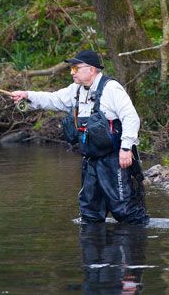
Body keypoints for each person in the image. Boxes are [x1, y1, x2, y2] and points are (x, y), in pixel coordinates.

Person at [10, 50, 149, 225]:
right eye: (71, 68)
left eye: (75, 68)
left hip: (115, 159)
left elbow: (131, 117)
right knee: (90, 213)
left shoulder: (111, 89)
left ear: (91, 69)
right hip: (90, 159)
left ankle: (134, 246)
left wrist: (126, 148)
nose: (72, 72)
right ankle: (92, 249)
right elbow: (52, 99)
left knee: (125, 211)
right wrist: (27, 95)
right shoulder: (75, 90)